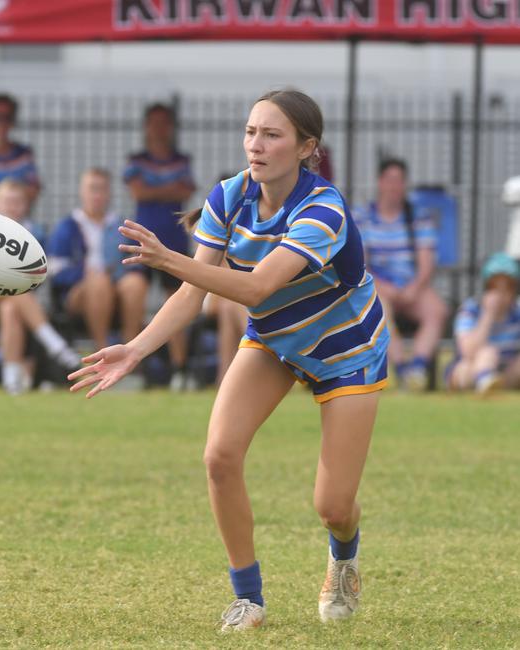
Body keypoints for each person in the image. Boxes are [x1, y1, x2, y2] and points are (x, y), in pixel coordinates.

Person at [70, 90, 390, 631]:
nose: (256, 145)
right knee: (219, 457)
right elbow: (191, 295)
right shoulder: (229, 196)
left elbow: (259, 287)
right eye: (250, 132)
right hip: (275, 342)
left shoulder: (323, 208)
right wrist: (137, 347)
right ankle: (249, 598)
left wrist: (170, 257)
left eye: (272, 135)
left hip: (346, 351)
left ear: (307, 147)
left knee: (333, 507)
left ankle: (343, 558)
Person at [0, 179, 81, 394]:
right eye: (6, 201)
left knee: (10, 305)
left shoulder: (35, 233)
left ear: (25, 204)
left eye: (16, 202)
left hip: (18, 298)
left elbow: (46, 268)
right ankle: (55, 345)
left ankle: (12, 382)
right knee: (14, 287)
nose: (11, 207)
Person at [354, 158, 448, 390]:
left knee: (437, 310)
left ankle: (418, 366)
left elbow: (427, 263)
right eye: (390, 180)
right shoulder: (363, 217)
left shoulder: (419, 217)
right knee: (379, 309)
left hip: (412, 286)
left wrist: (413, 289)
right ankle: (401, 368)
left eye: (399, 180)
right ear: (380, 182)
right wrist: (384, 288)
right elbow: (360, 264)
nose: (394, 186)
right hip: (378, 285)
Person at [123, 102, 196, 389]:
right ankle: (131, 368)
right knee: (134, 295)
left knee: (177, 299)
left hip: (174, 242)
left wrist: (154, 189)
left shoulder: (181, 159)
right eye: (154, 121)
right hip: (140, 239)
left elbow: (186, 189)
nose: (159, 128)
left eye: (164, 122)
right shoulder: (136, 159)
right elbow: (138, 191)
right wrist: (167, 190)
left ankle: (180, 369)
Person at [46, 169, 145, 351]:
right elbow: (54, 269)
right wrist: (84, 273)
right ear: (82, 192)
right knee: (99, 282)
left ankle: (131, 350)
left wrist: (114, 272)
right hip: (78, 291)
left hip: (115, 284)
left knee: (135, 283)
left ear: (109, 193)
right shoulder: (67, 226)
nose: (97, 195)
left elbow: (136, 261)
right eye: (92, 188)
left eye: (102, 189)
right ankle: (102, 352)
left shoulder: (121, 226)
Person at [447, 252, 520, 394]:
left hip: (505, 371)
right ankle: (484, 380)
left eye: (507, 288)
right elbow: (467, 351)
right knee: (487, 354)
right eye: (495, 288)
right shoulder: (471, 309)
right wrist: (488, 315)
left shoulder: (517, 312)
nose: (501, 294)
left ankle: (492, 385)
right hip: (471, 366)